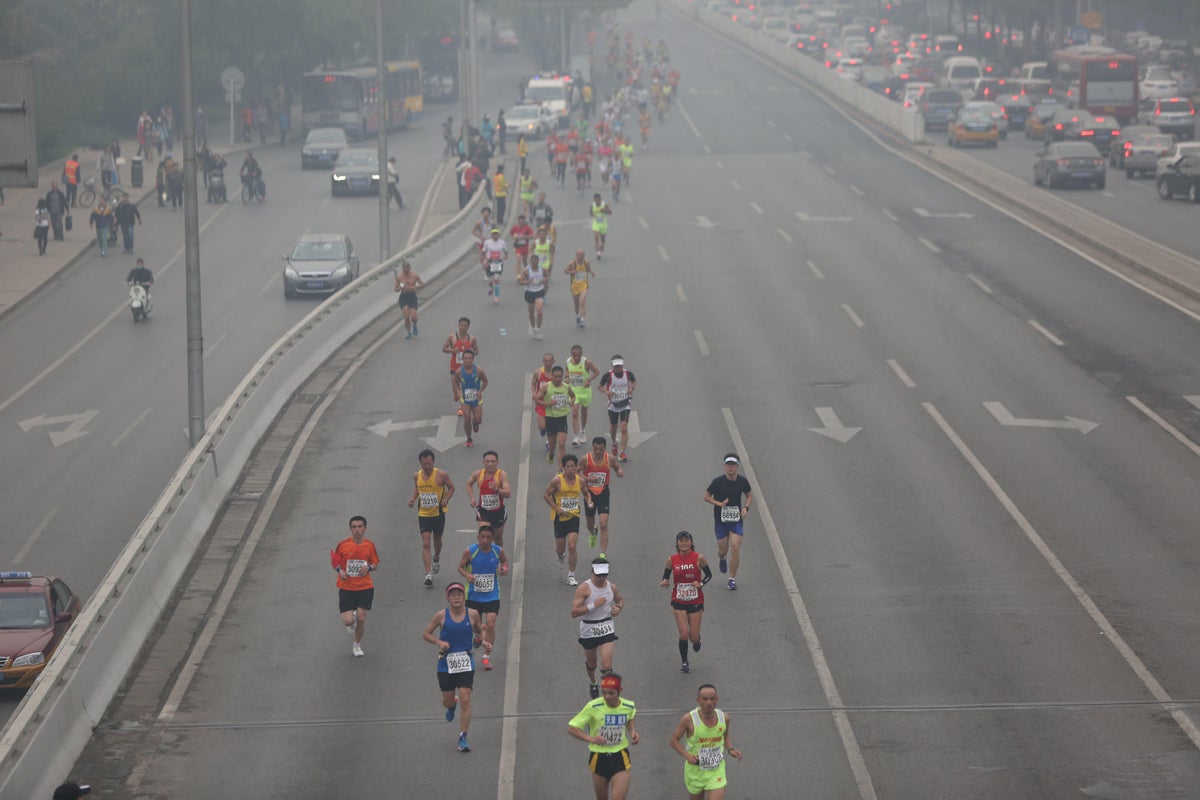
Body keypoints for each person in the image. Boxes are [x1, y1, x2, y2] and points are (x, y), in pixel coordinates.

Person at [422, 582, 490, 752]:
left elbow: (479, 630)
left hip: (465, 661)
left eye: (459, 594)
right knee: (447, 700)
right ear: (448, 598)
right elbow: (425, 633)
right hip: (446, 663)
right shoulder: (441, 616)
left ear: (464, 597)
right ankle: (451, 705)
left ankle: (463, 737)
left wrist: (484, 641)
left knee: (466, 698)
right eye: (453, 595)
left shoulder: (472, 614)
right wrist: (439, 642)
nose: (457, 597)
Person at [567, 672, 638, 800]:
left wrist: (633, 732)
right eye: (604, 692)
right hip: (598, 757)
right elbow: (572, 728)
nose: (607, 696)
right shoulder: (593, 706)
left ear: (620, 691)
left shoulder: (628, 706)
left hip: (620, 756)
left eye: (611, 693)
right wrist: (591, 739)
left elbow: (629, 719)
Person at [668, 684, 743, 799]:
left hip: (716, 770)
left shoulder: (725, 718)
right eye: (705, 699)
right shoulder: (689, 719)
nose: (709, 702)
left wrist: (730, 749)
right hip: (695, 771)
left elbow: (725, 735)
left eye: (712, 699)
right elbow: (673, 741)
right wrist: (687, 755)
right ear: (698, 700)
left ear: (717, 700)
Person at [570, 557, 624, 696]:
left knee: (607, 666)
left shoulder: (611, 587)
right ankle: (593, 681)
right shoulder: (584, 588)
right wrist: (594, 605)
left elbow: (620, 599)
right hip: (589, 629)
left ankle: (608, 696)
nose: (601, 577)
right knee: (592, 663)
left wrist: (618, 608)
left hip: (606, 626)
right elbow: (574, 612)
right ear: (592, 571)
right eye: (598, 574)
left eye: (604, 574)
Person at [457, 524, 508, 670]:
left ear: (493, 539)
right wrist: (467, 575)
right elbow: (460, 567)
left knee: (491, 623)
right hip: (473, 595)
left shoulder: (498, 551)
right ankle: (479, 633)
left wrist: (504, 569)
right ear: (478, 538)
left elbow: (504, 562)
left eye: (488, 538)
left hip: (492, 594)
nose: (485, 540)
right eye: (482, 537)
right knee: (473, 625)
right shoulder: (470, 551)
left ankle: (486, 657)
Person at [660, 531, 712, 672]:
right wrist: (664, 581)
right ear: (677, 543)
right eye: (681, 541)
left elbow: (709, 575)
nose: (684, 543)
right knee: (683, 633)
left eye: (686, 540)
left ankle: (697, 640)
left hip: (695, 600)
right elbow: (666, 576)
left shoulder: (699, 557)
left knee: (693, 637)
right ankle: (684, 662)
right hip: (679, 600)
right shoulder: (671, 559)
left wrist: (700, 584)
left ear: (691, 542)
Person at [331, 515, 381, 658]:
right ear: (350, 529)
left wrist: (369, 568)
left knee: (362, 618)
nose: (357, 530)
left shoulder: (369, 545)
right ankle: (351, 620)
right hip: (346, 587)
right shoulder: (343, 545)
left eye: (360, 527)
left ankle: (357, 645)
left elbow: (376, 563)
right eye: (354, 527)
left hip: (365, 587)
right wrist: (339, 571)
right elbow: (335, 562)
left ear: (365, 529)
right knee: (348, 621)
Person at [703, 454, 752, 591]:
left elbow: (749, 495)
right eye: (728, 464)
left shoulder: (742, 481)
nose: (731, 467)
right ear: (724, 466)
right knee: (722, 550)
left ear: (737, 466)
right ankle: (722, 558)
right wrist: (719, 503)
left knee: (735, 546)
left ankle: (731, 579)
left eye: (733, 464)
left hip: (736, 520)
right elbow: (706, 497)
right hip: (721, 521)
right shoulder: (717, 482)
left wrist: (746, 508)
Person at [409, 448, 455, 587]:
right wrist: (412, 499)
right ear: (420, 463)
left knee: (437, 540)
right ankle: (428, 574)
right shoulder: (417, 476)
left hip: (438, 513)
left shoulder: (441, 474)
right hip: (423, 514)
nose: (427, 467)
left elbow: (452, 488)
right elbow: (418, 488)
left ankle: (436, 557)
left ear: (433, 462)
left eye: (429, 464)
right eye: (424, 464)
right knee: (426, 543)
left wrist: (446, 499)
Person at [545, 454, 587, 585]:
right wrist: (556, 508)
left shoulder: (580, 480)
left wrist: (590, 501)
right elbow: (546, 495)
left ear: (576, 467)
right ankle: (560, 555)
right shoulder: (556, 481)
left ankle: (571, 575)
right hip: (560, 518)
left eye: (573, 467)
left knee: (572, 546)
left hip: (574, 516)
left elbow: (586, 492)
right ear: (563, 468)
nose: (570, 469)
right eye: (567, 467)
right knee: (560, 548)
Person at [582, 435, 622, 555]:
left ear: (605, 448)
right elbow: (576, 473)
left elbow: (616, 467)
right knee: (589, 523)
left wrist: (619, 471)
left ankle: (602, 554)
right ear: (592, 448)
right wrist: (588, 478)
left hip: (603, 492)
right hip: (589, 494)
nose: (598, 451)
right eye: (596, 449)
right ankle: (593, 532)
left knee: (604, 523)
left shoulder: (609, 458)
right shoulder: (586, 459)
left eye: (601, 448)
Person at [466, 450, 511, 547]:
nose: (490, 464)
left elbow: (508, 494)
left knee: (497, 539)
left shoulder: (501, 475)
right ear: (483, 462)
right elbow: (469, 484)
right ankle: (486, 559)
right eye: (487, 461)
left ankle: (499, 558)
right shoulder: (478, 474)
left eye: (493, 461)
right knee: (485, 538)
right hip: (483, 512)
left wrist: (497, 489)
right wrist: (472, 498)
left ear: (497, 462)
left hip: (498, 512)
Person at [598, 356, 636, 462]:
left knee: (624, 428)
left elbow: (634, 381)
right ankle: (614, 442)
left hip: (625, 404)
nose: (618, 368)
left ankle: (622, 452)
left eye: (619, 366)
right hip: (613, 405)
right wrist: (606, 391)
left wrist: (631, 388)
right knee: (613, 427)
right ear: (612, 366)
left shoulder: (628, 374)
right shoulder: (607, 375)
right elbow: (600, 386)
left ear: (622, 365)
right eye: (616, 366)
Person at [536, 365, 576, 464]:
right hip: (550, 418)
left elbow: (573, 396)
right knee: (552, 444)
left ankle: (561, 468)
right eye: (555, 376)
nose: (558, 379)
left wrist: (572, 401)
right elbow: (536, 399)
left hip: (562, 419)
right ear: (552, 376)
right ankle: (551, 452)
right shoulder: (546, 386)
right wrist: (548, 404)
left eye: (560, 377)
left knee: (562, 443)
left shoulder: (566, 387)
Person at [442, 317, 479, 410]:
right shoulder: (452, 337)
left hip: (466, 368)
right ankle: (457, 395)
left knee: (465, 388)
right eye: (461, 325)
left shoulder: (472, 338)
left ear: (468, 326)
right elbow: (444, 348)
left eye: (465, 325)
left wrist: (471, 354)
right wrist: (452, 350)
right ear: (458, 325)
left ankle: (462, 406)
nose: (463, 327)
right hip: (454, 367)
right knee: (455, 389)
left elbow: (476, 350)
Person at [567, 345, 601, 445]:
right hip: (574, 391)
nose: (576, 358)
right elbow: (567, 372)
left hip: (585, 391)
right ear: (571, 354)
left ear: (581, 354)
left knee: (584, 413)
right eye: (574, 355)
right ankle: (576, 437)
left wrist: (589, 380)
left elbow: (596, 371)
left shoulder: (587, 362)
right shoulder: (568, 361)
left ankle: (582, 430)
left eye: (578, 355)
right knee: (574, 412)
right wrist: (566, 378)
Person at [453, 350, 488, 446]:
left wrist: (480, 390)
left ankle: (475, 423)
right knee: (467, 418)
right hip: (465, 399)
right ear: (463, 359)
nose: (467, 360)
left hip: (476, 398)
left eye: (469, 358)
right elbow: (455, 382)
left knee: (478, 419)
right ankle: (469, 438)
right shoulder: (459, 371)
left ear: (473, 359)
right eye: (465, 358)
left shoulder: (479, 371)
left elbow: (485, 381)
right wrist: (458, 391)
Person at [518, 253, 549, 340]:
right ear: (530, 262)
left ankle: (538, 329)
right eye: (533, 263)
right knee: (531, 312)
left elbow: (548, 275)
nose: (534, 264)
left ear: (538, 262)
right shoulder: (526, 271)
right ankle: (533, 328)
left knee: (539, 311)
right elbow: (520, 281)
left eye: (536, 262)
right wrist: (527, 281)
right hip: (530, 292)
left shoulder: (542, 269)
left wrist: (544, 280)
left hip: (539, 291)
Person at [394, 260, 424, 339]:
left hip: (412, 296)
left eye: (407, 269)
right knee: (406, 316)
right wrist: (400, 288)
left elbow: (422, 284)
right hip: (404, 297)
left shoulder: (414, 275)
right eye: (404, 269)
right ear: (402, 269)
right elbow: (395, 288)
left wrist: (415, 287)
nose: (406, 271)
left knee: (414, 317)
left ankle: (414, 325)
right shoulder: (400, 277)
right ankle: (409, 332)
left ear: (409, 268)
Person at [565, 250, 595, 328]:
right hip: (574, 285)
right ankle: (578, 315)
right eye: (579, 255)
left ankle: (582, 319)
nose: (580, 257)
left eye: (582, 255)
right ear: (576, 255)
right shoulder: (572, 263)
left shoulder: (586, 262)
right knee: (576, 304)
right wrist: (572, 272)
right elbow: (565, 271)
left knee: (582, 302)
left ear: (584, 255)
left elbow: (588, 269)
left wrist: (591, 272)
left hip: (584, 284)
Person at [532, 352, 555, 453]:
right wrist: (534, 393)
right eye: (545, 361)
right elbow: (533, 384)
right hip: (541, 403)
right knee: (542, 426)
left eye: (549, 361)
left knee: (550, 425)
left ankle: (548, 441)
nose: (547, 363)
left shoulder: (556, 374)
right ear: (543, 361)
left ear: (553, 362)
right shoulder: (538, 372)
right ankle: (543, 430)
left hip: (552, 404)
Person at [481, 227, 507, 303]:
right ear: (491, 235)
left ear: (498, 235)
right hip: (489, 262)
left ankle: (496, 297)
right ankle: (490, 287)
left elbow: (506, 252)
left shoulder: (502, 242)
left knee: (496, 280)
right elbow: (483, 253)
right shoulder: (487, 242)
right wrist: (484, 261)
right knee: (490, 281)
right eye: (493, 234)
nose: (495, 236)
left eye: (496, 234)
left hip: (498, 262)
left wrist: (505, 256)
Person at [590, 194, 612, 260]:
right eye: (596, 200)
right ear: (594, 200)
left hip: (603, 224)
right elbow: (590, 213)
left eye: (598, 199)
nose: (597, 201)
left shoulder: (604, 205)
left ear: (600, 199)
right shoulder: (592, 205)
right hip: (596, 224)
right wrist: (593, 214)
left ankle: (602, 244)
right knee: (596, 238)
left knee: (602, 239)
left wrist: (604, 211)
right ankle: (598, 253)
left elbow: (610, 212)